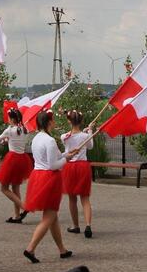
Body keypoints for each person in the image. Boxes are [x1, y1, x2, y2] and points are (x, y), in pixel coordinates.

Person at [23, 110, 75, 263]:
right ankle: (30, 248)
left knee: (53, 216)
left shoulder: (37, 138)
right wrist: (67, 160)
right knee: (49, 216)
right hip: (49, 178)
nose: (54, 122)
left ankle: (62, 249)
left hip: (38, 176)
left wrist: (67, 154)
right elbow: (53, 165)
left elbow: (55, 157)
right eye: (52, 120)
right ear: (49, 122)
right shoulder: (50, 140)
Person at [0, 108, 32, 223]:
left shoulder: (9, 130)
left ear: (12, 119)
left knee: (4, 188)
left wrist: (4, 140)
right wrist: (8, 140)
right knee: (16, 188)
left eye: (9, 118)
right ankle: (17, 216)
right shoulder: (24, 129)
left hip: (12, 159)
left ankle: (24, 207)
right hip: (22, 159)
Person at [61, 110, 94, 238]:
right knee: (85, 198)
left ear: (69, 121)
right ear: (81, 121)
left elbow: (68, 147)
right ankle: (88, 225)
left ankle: (75, 226)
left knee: (72, 198)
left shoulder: (64, 136)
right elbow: (90, 146)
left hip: (70, 167)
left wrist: (85, 132)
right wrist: (89, 131)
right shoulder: (85, 137)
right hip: (83, 166)